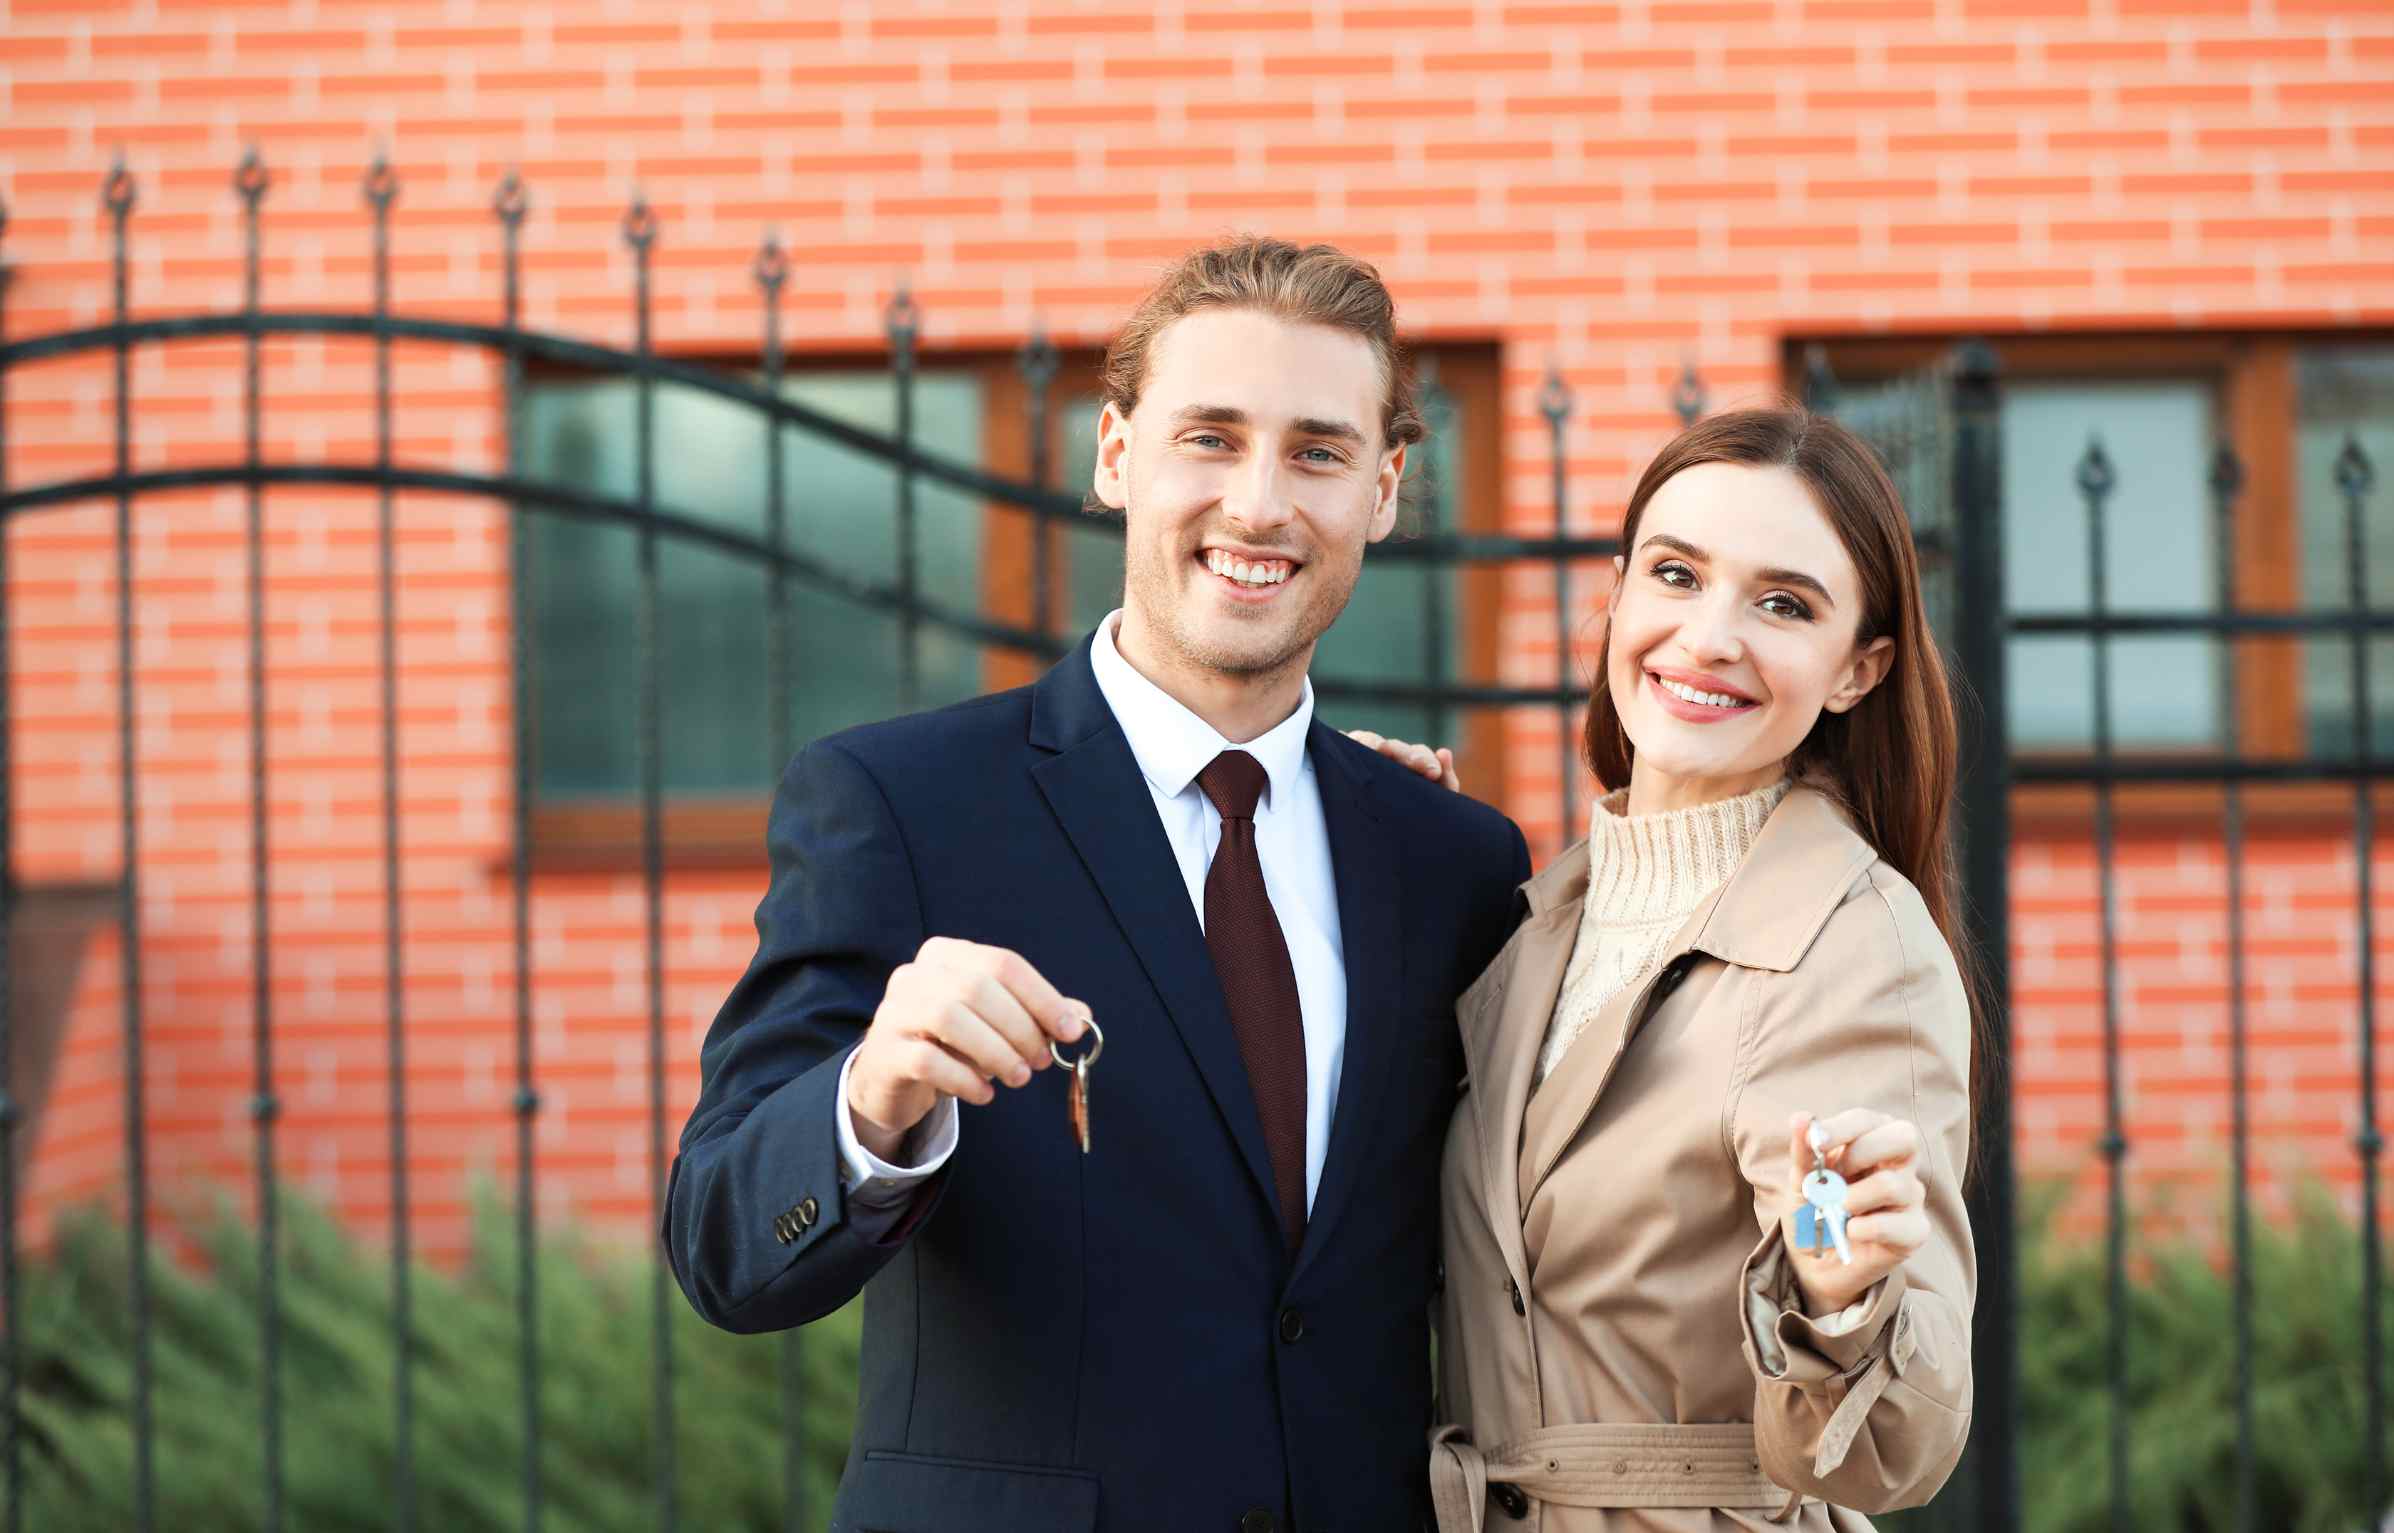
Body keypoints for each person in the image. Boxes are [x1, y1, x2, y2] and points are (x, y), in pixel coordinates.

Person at [662, 237, 1529, 1533]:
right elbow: (727, 1248)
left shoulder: (1449, 859)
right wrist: (872, 1093)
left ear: (1385, 488)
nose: (1257, 503)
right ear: (1116, 455)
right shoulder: (900, 805)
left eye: (1316, 451)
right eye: (1210, 438)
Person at [1385, 408, 1978, 1531]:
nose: (1709, 637)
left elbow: (1893, 1454)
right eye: (1675, 574)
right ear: (1617, 595)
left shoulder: (1854, 948)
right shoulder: (1538, 920)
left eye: (1783, 605)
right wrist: (1336, 833)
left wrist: (1837, 1297)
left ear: (1859, 668)